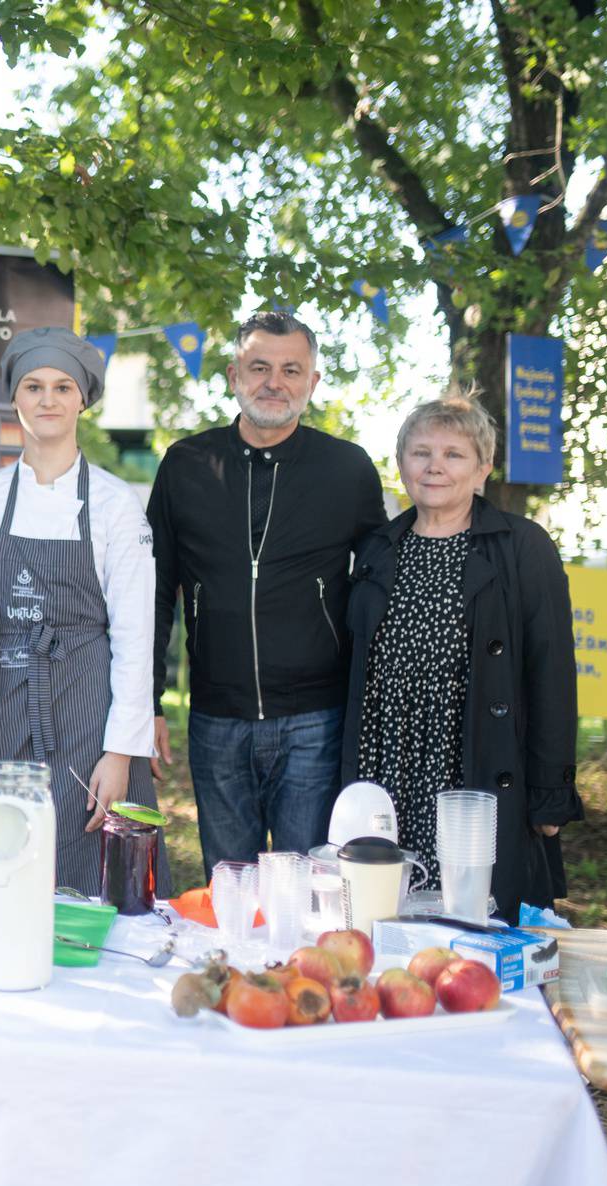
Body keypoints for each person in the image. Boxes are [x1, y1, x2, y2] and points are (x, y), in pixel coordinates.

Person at [147, 311, 386, 872]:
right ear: (233, 375)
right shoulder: (186, 464)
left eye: (290, 370)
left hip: (314, 720)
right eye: (259, 367)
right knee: (229, 887)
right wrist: (149, 700)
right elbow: (154, 590)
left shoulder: (347, 470)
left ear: (313, 383)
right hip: (215, 719)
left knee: (308, 889)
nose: (273, 382)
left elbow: (379, 587)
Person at [341, 391, 580, 921]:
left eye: (453, 455)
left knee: (471, 929)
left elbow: (553, 677)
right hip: (387, 766)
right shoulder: (379, 548)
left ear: (483, 469)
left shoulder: (522, 547)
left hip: (473, 769)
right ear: (402, 463)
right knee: (386, 921)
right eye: (420, 452)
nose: (434, 467)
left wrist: (549, 795)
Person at [0, 327, 165, 896]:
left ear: (82, 401)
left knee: (89, 859)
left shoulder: (117, 504)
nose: (48, 399)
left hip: (89, 706)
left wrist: (120, 752)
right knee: (1, 856)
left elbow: (136, 636)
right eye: (34, 386)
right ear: (14, 398)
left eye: (63, 387)